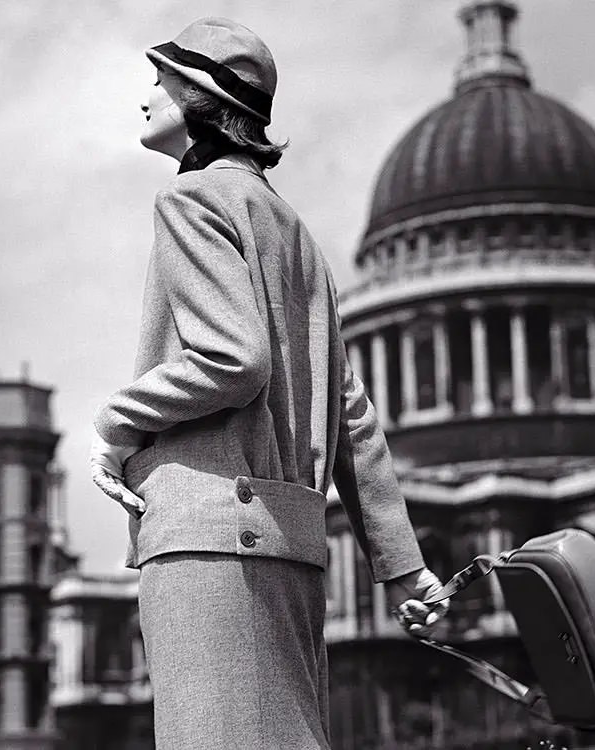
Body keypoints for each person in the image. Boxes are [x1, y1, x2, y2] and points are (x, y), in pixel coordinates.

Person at [90, 17, 448, 750]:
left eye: (162, 80)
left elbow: (234, 359)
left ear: (199, 98)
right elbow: (350, 414)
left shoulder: (190, 200)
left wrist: (117, 422)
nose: (146, 96)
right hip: (289, 542)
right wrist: (404, 566)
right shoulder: (294, 232)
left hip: (206, 536)